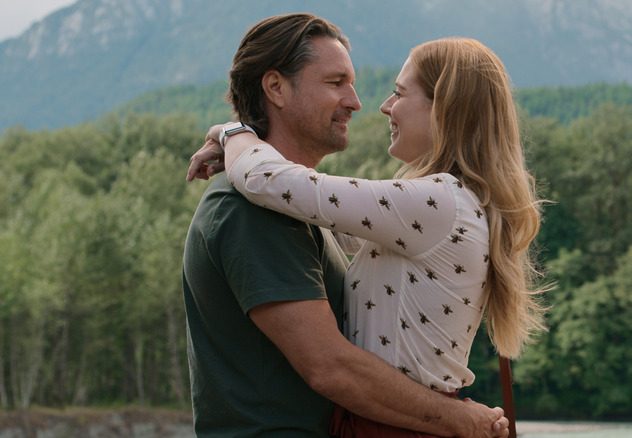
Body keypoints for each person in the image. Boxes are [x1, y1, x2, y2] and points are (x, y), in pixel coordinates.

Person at [183, 13, 508, 438]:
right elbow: (331, 368)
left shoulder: (424, 203)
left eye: (395, 93)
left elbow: (284, 185)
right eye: (335, 83)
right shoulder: (251, 211)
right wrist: (463, 420)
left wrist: (233, 134)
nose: (359, 102)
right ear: (276, 88)